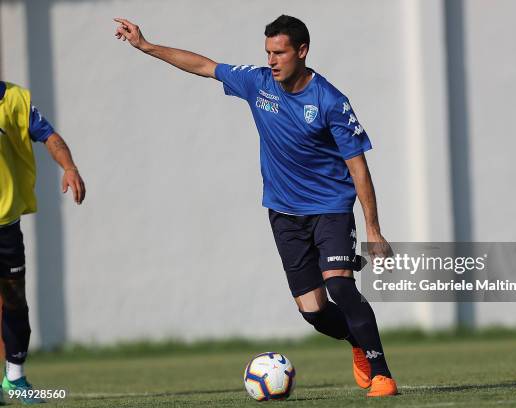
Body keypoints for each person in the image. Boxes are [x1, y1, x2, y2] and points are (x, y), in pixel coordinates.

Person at [114, 14, 397, 397]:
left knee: (340, 289)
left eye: (279, 53)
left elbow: (358, 167)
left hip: (330, 207)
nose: (272, 61)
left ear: (302, 51)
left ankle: (382, 375)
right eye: (268, 52)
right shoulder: (258, 83)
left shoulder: (330, 101)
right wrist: (147, 46)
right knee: (313, 311)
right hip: (283, 212)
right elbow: (203, 65)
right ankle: (356, 342)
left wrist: (373, 230)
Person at [0, 81, 85, 404]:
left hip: (5, 224)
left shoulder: (15, 100)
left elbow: (50, 136)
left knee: (15, 301)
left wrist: (69, 167)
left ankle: (15, 378)